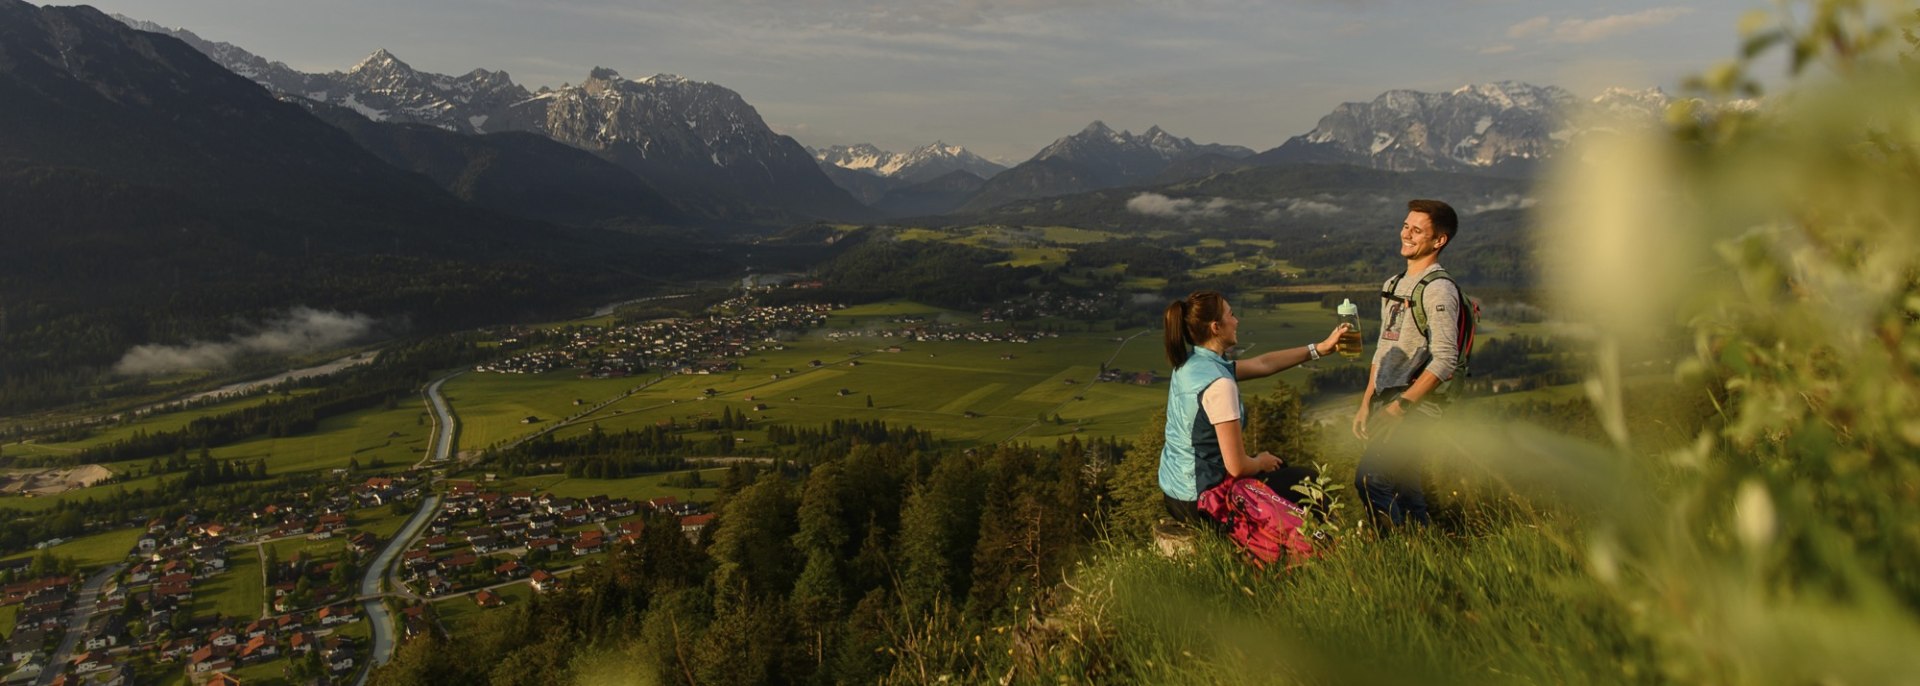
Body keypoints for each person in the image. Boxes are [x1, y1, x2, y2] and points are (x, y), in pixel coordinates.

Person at [1158, 289, 1348, 527]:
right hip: (1205, 502)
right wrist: (1260, 462)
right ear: (1216, 327)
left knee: (1286, 472)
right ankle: (1327, 548)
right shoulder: (1219, 385)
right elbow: (1237, 466)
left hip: (1175, 495)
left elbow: (1263, 363)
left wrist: (1318, 349)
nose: (1236, 321)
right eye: (1232, 315)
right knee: (1309, 484)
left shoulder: (1191, 364)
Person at [1352, 199, 1464, 531]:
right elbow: (1382, 350)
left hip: (1414, 408)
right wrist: (1365, 404)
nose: (1407, 234)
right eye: (1405, 226)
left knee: (1371, 481)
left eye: (1417, 230)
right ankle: (1428, 549)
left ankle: (1394, 555)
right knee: (1406, 486)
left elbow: (1446, 359)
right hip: (1388, 403)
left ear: (1438, 240)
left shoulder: (1439, 289)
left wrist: (1400, 407)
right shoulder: (1393, 285)